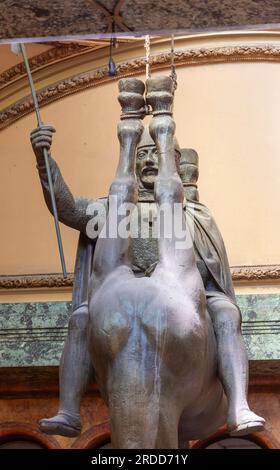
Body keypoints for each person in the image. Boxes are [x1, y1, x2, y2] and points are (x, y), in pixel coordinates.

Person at [30, 116, 265, 439]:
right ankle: (68, 409)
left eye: (157, 152)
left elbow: (209, 266)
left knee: (226, 313)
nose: (150, 159)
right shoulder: (110, 211)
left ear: (173, 161)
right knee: (81, 317)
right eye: (141, 155)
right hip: (120, 292)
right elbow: (67, 208)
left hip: (191, 295)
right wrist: (45, 163)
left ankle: (238, 404)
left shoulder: (194, 214)